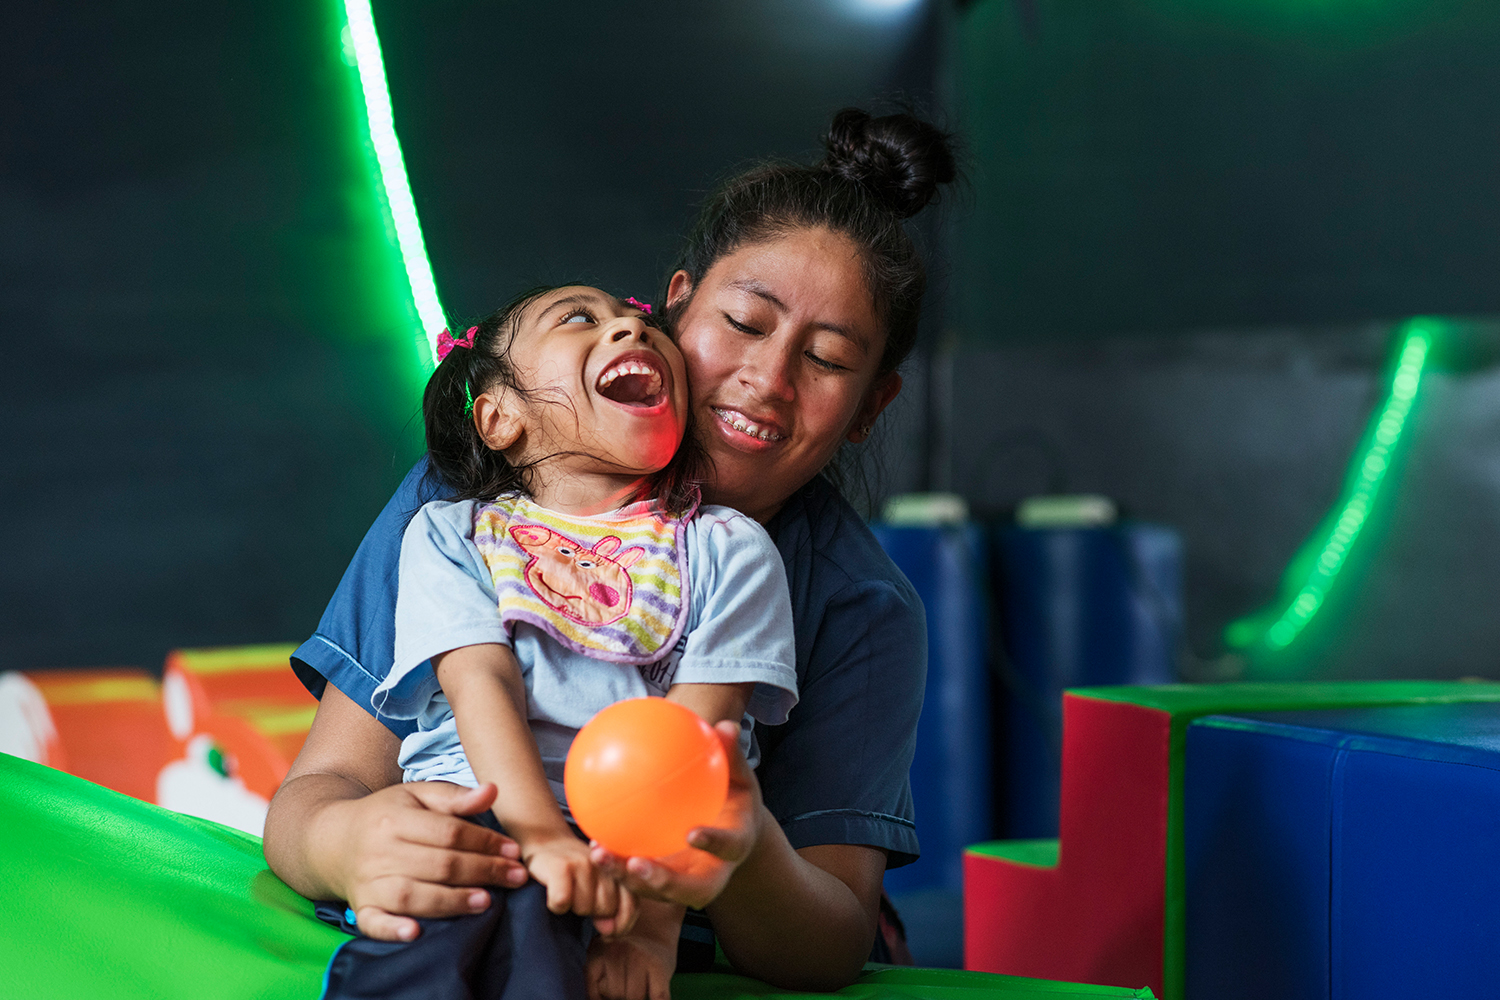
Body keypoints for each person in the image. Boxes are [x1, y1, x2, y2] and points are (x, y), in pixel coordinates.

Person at [264, 106, 958, 999]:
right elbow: (317, 790)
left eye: (825, 360)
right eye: (745, 323)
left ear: (871, 405)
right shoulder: (474, 505)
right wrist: (346, 844)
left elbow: (831, 937)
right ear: (672, 305)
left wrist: (733, 850)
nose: (769, 379)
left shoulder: (854, 602)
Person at [312, 286, 800, 1000]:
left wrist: (648, 934)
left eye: (638, 320)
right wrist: (537, 835)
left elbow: (696, 746)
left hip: (626, 853)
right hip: (473, 821)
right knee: (481, 924)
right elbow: (479, 679)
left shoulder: (730, 551)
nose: (629, 326)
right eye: (580, 318)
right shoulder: (451, 535)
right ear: (501, 417)